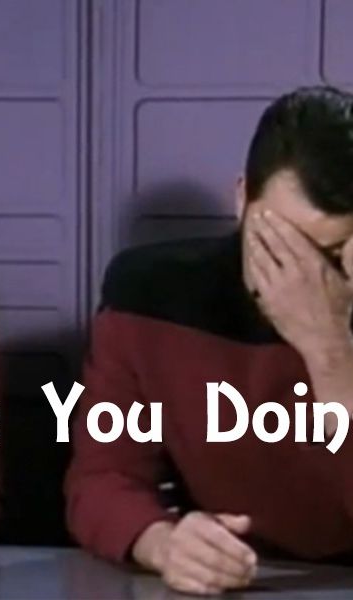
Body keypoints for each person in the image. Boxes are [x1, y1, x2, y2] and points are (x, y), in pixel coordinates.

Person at [66, 86, 353, 595]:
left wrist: (330, 351)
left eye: (330, 254)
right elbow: (102, 479)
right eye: (283, 245)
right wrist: (162, 542)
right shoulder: (152, 294)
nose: (303, 276)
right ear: (242, 199)